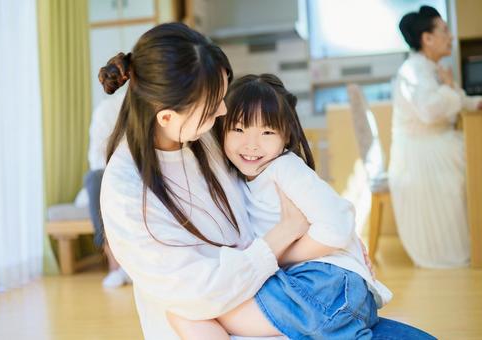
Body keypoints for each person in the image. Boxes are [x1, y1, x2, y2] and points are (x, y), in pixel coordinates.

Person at [99, 22, 436, 339]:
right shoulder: (127, 193)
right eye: (213, 105)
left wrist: (337, 244)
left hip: (282, 295)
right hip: (236, 316)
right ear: (168, 117)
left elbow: (283, 185)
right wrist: (286, 237)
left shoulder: (201, 135)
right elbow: (199, 296)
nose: (222, 114)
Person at [166, 74, 393, 339]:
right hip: (332, 291)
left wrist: (280, 256)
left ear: (285, 136)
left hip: (325, 285)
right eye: (238, 129)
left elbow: (338, 224)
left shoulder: (284, 167)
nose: (251, 144)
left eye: (266, 132)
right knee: (191, 308)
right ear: (222, 130)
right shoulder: (240, 178)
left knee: (188, 311)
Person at [389, 6, 482, 268]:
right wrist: (451, 87)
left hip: (436, 142)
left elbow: (458, 100)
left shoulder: (431, 67)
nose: (451, 37)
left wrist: (471, 101)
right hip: (421, 151)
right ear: (427, 38)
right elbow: (430, 111)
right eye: (444, 30)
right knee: (471, 166)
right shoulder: (413, 70)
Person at [85, 89, 131, 288]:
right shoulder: (107, 110)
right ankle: (115, 266)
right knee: (95, 179)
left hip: (145, 172)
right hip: (111, 173)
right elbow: (97, 158)